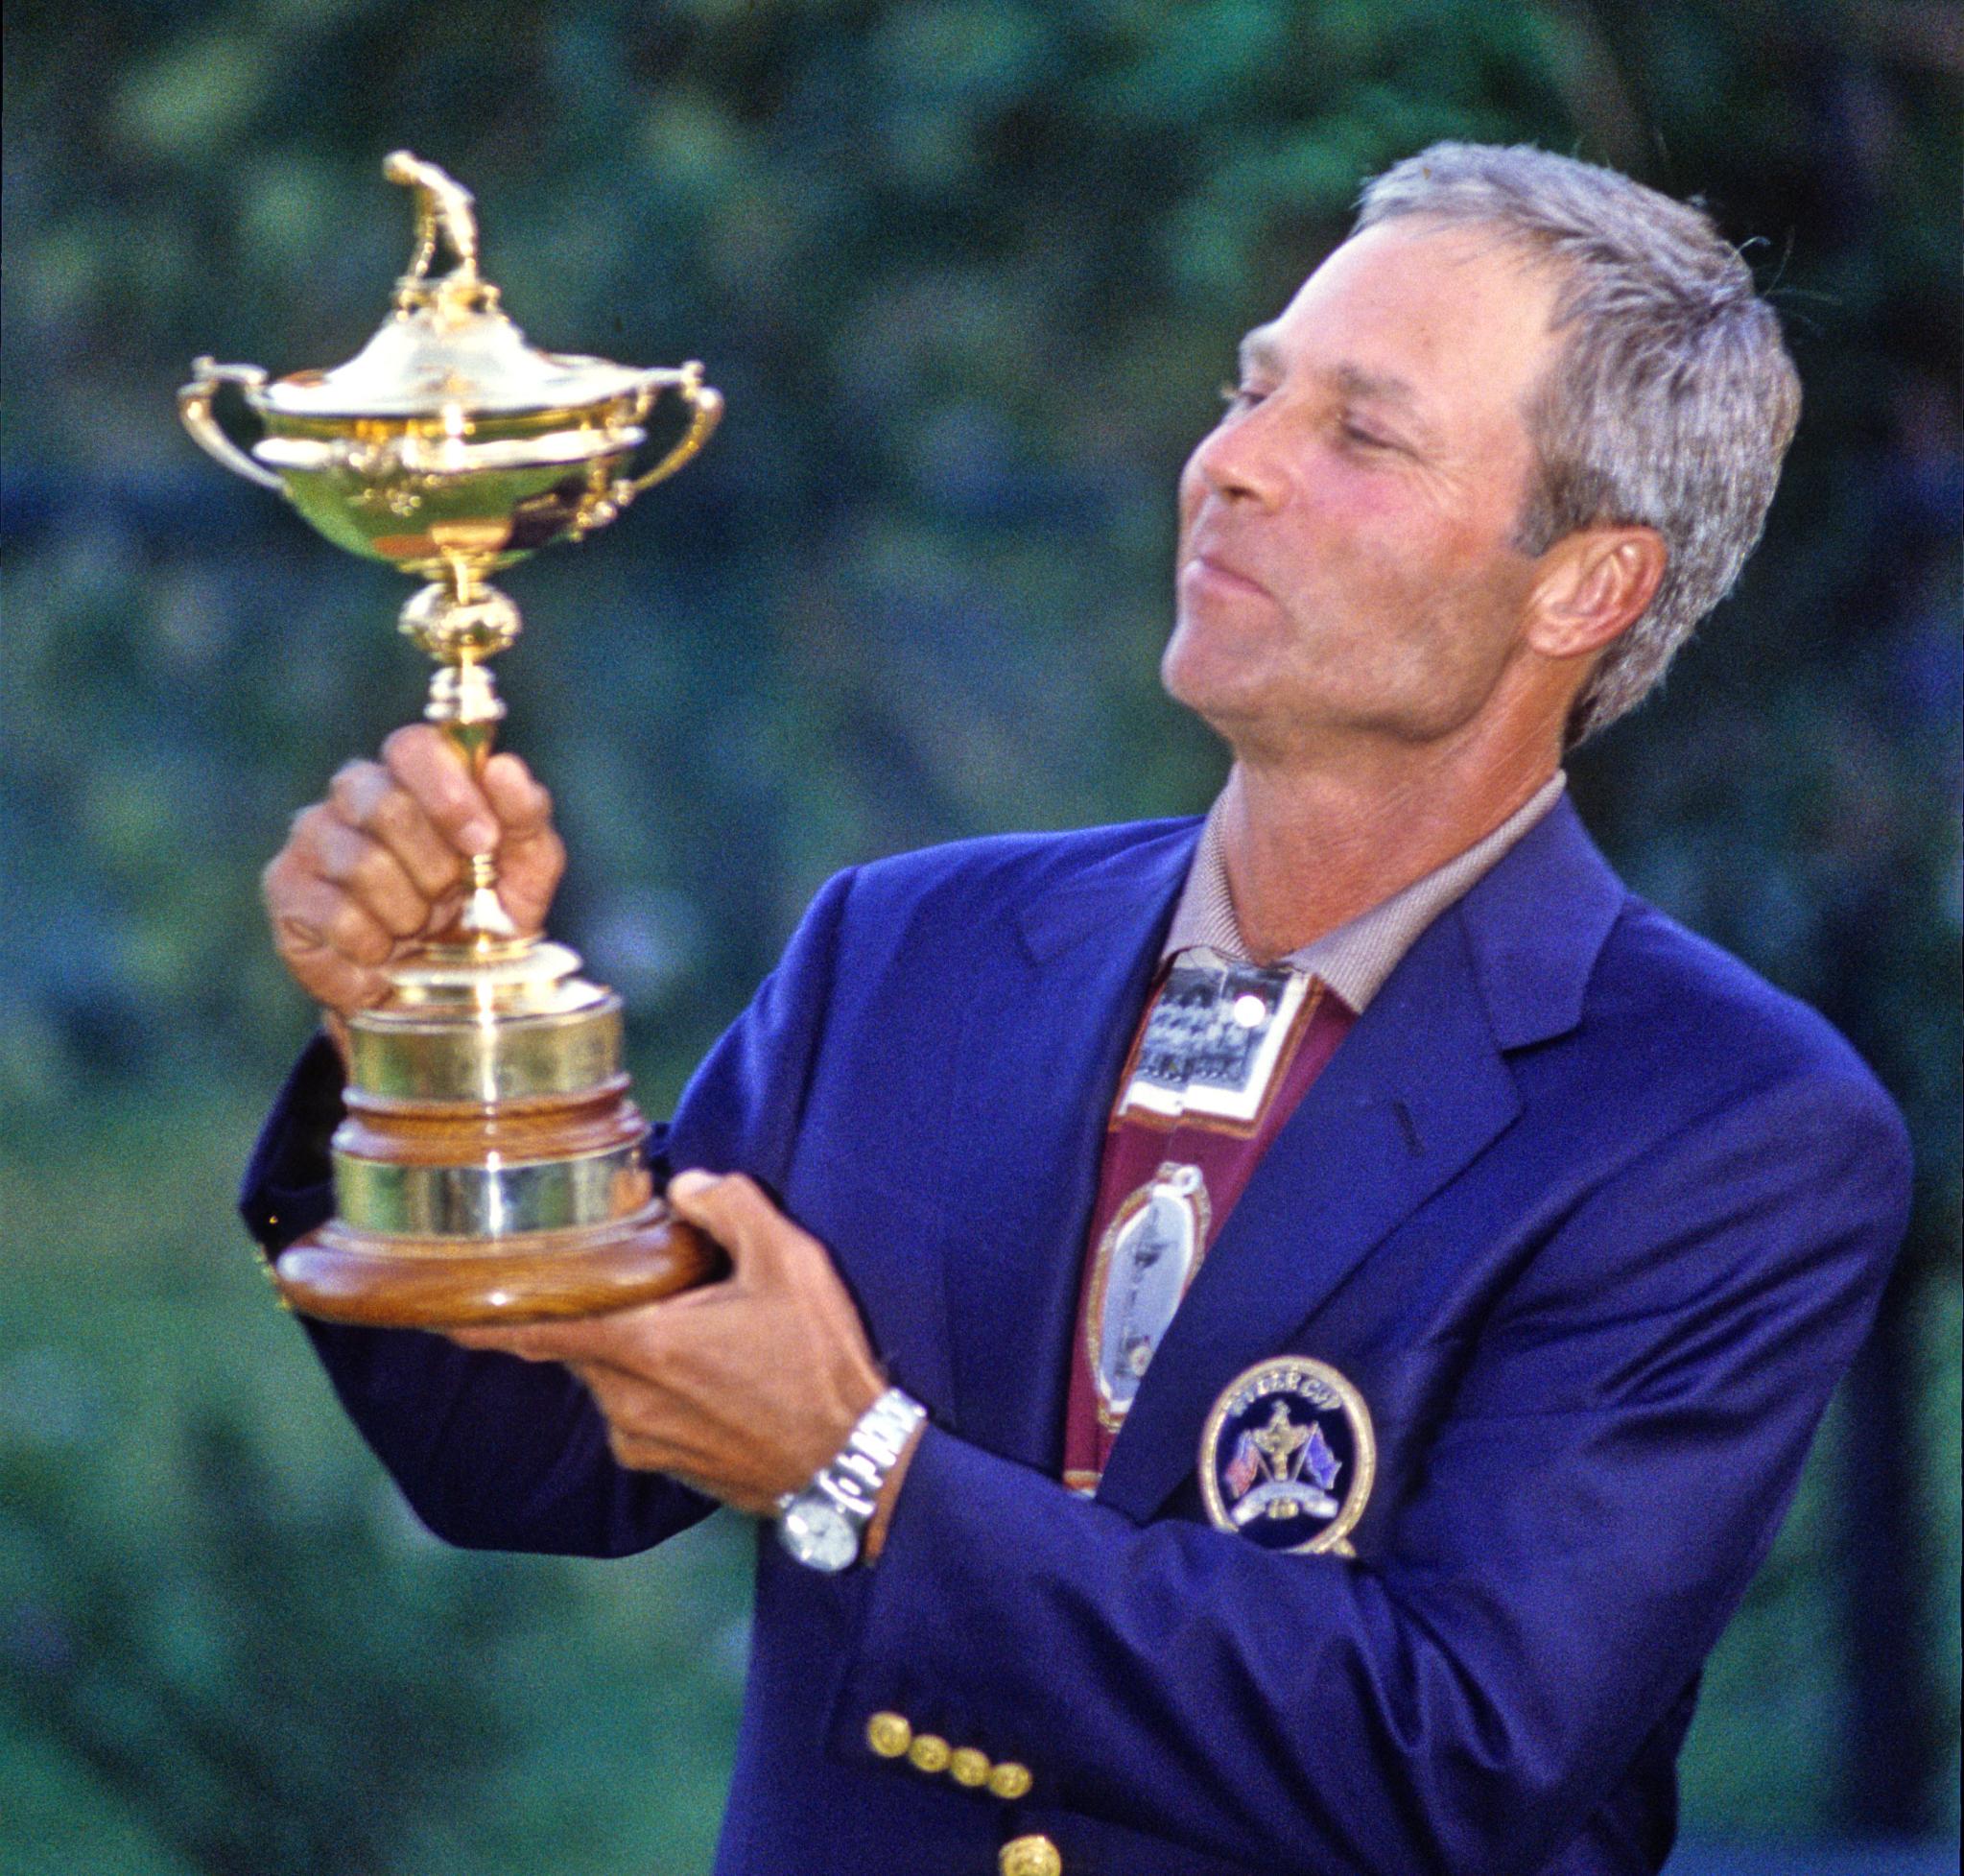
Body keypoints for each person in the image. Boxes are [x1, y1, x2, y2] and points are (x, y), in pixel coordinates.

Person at [245, 143, 1911, 1876]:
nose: (1234, 467)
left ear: (1584, 587)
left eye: (1362, 433)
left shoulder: (1729, 1129)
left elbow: (1461, 1755)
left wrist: (863, 1470)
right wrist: (414, 1059)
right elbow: (527, 1458)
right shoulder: (910, 951)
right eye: (1248, 389)